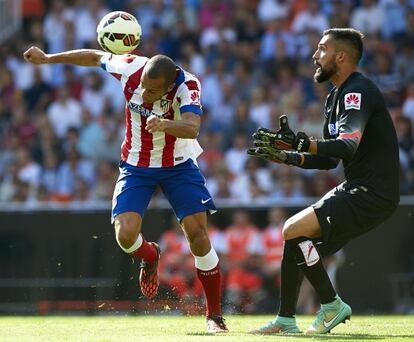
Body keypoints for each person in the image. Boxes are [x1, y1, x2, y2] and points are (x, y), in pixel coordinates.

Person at [23, 45, 228, 333]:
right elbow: (94, 57)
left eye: (153, 92)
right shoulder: (130, 66)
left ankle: (214, 316)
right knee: (125, 235)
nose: (144, 95)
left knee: (197, 233)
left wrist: (166, 123)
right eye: (143, 86)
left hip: (178, 164)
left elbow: (192, 127)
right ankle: (150, 255)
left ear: (169, 86)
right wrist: (48, 59)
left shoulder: (188, 85)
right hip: (136, 164)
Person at [248, 28, 399, 334]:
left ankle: (329, 305)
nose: (314, 56)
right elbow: (330, 159)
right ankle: (287, 320)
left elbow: (347, 146)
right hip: (361, 189)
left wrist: (303, 143)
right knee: (296, 240)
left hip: (371, 191)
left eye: (321, 49)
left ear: (340, 56)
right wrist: (289, 156)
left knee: (292, 229)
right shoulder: (335, 96)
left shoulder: (358, 91)